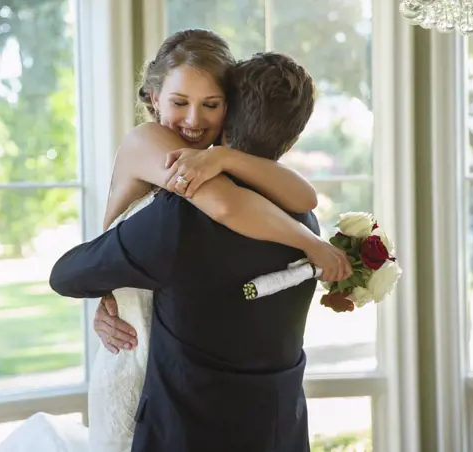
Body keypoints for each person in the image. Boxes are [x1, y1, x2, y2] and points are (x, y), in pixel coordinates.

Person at [50, 51, 326, 451]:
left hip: (185, 434)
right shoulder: (301, 215)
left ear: (225, 112)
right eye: (181, 102)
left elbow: (67, 275)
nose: (194, 121)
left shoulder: (182, 218)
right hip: (280, 433)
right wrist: (117, 292)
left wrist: (109, 284)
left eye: (210, 104)